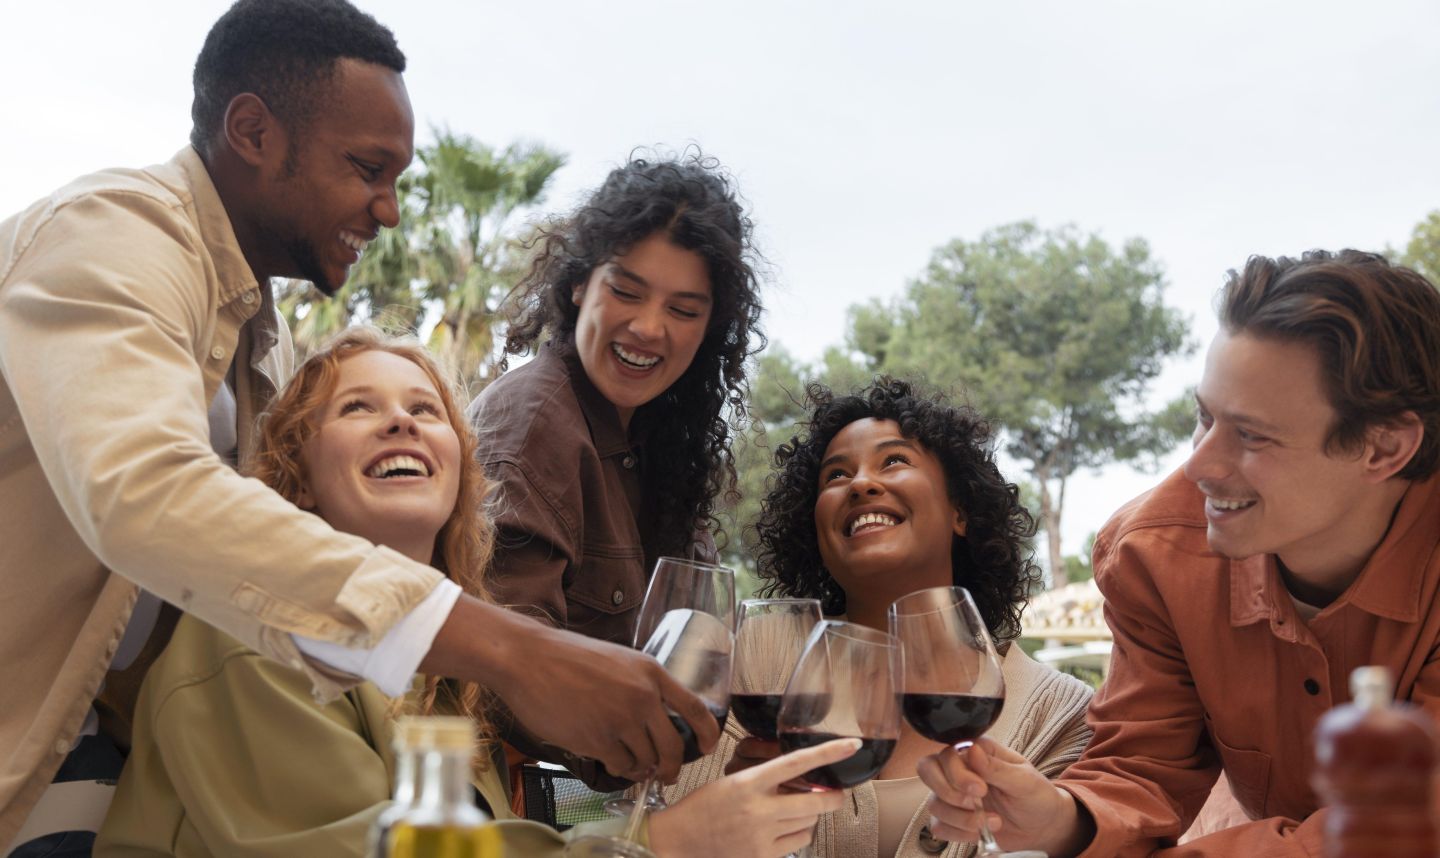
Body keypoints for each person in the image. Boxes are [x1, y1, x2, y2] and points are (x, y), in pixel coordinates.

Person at [0, 1, 712, 850]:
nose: (390, 211)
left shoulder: (250, 336)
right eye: (368, 168)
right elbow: (143, 494)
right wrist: (519, 652)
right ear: (254, 131)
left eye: (424, 411)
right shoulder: (114, 231)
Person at [94, 327, 852, 858]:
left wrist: (687, 810)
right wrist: (667, 843)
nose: (400, 420)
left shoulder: (445, 676)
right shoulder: (250, 632)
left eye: (426, 411)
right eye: (357, 408)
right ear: (296, 469)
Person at [920, 249, 1440, 857]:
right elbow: (1142, 768)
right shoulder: (1153, 557)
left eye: (1251, 436)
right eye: (1204, 416)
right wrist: (1063, 821)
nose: (1199, 464)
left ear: (1384, 447)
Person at [664, 379, 1094, 858]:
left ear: (961, 512)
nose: (862, 484)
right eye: (836, 476)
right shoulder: (754, 686)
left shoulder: (1060, 713)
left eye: (894, 460)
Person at [466, 154, 762, 782]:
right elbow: (505, 672)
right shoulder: (533, 424)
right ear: (580, 285)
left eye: (683, 310)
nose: (648, 327)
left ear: (710, 328)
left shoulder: (662, 437)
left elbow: (700, 647)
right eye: (625, 291)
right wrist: (641, 739)